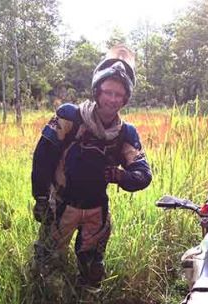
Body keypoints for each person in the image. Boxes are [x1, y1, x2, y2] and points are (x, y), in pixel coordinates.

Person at [31, 45, 152, 289]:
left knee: (92, 270)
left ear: (125, 99)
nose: (112, 99)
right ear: (97, 91)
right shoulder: (70, 117)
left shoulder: (125, 133)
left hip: (96, 212)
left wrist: (120, 176)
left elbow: (143, 174)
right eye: (108, 92)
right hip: (62, 206)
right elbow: (42, 157)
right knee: (46, 266)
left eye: (119, 95)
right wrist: (41, 198)